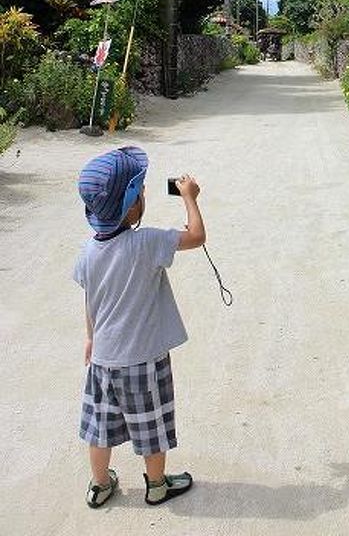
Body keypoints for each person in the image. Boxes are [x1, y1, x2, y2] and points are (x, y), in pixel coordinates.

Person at [73, 146, 206, 509]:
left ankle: (100, 484)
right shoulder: (146, 242)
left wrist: (90, 337)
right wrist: (189, 198)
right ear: (131, 206)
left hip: (103, 360)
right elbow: (196, 236)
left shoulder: (87, 253)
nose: (145, 193)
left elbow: (91, 301)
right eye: (141, 190)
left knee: (100, 426)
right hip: (145, 361)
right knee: (152, 426)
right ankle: (158, 485)